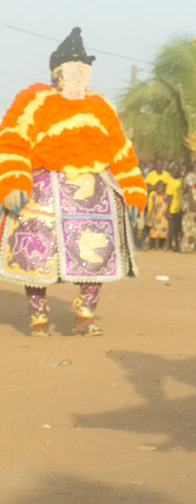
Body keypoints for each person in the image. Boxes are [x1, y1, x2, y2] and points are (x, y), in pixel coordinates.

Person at [0, 28, 146, 336]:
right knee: (36, 255)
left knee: (98, 255)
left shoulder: (101, 107)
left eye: (85, 69)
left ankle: (84, 315)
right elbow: (13, 141)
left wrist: (133, 194)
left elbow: (121, 151)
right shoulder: (33, 101)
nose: (80, 75)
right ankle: (38, 316)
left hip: (93, 199)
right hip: (44, 193)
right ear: (57, 73)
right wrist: (13, 182)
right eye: (73, 69)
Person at [180, 163, 196, 253]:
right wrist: (192, 202)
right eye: (195, 167)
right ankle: (185, 246)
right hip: (190, 204)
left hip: (195, 205)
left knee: (192, 227)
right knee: (186, 226)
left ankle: (190, 246)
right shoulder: (190, 176)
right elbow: (190, 188)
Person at [147, 181, 171, 250]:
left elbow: (167, 205)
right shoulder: (154, 196)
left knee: (166, 231)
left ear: (163, 188)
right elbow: (154, 207)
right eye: (157, 187)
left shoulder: (166, 196)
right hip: (157, 215)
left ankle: (166, 246)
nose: (158, 188)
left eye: (160, 187)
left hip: (164, 216)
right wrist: (152, 215)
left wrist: (167, 212)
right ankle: (156, 246)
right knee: (156, 231)